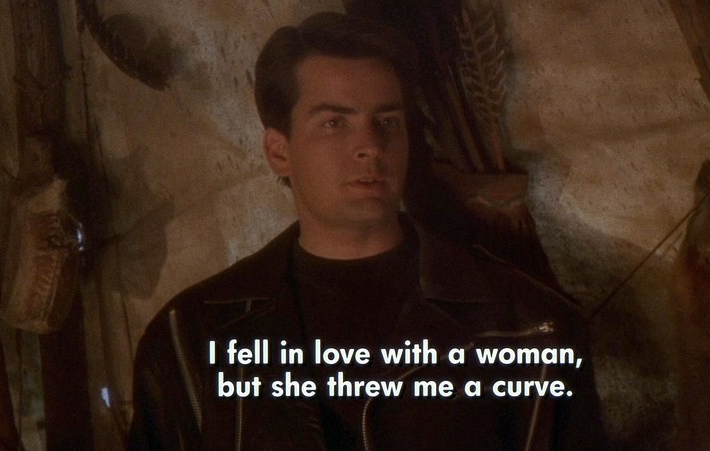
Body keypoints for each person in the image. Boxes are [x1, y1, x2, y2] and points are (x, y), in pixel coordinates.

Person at [128, 11, 605, 450]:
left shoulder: (531, 327)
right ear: (279, 151)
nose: (370, 146)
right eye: (334, 122)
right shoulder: (191, 338)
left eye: (388, 121)